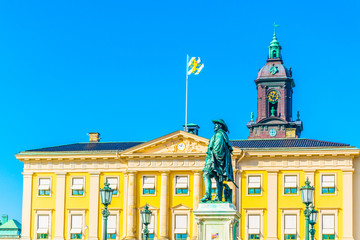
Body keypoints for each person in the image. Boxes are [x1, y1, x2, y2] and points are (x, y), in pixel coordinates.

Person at [200, 119, 235, 202]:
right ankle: (218, 196)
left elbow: (217, 149)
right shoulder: (221, 135)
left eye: (216, 125)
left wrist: (214, 161)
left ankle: (208, 194)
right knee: (218, 177)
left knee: (206, 174)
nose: (214, 126)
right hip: (217, 159)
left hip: (214, 159)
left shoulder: (218, 135)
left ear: (220, 126)